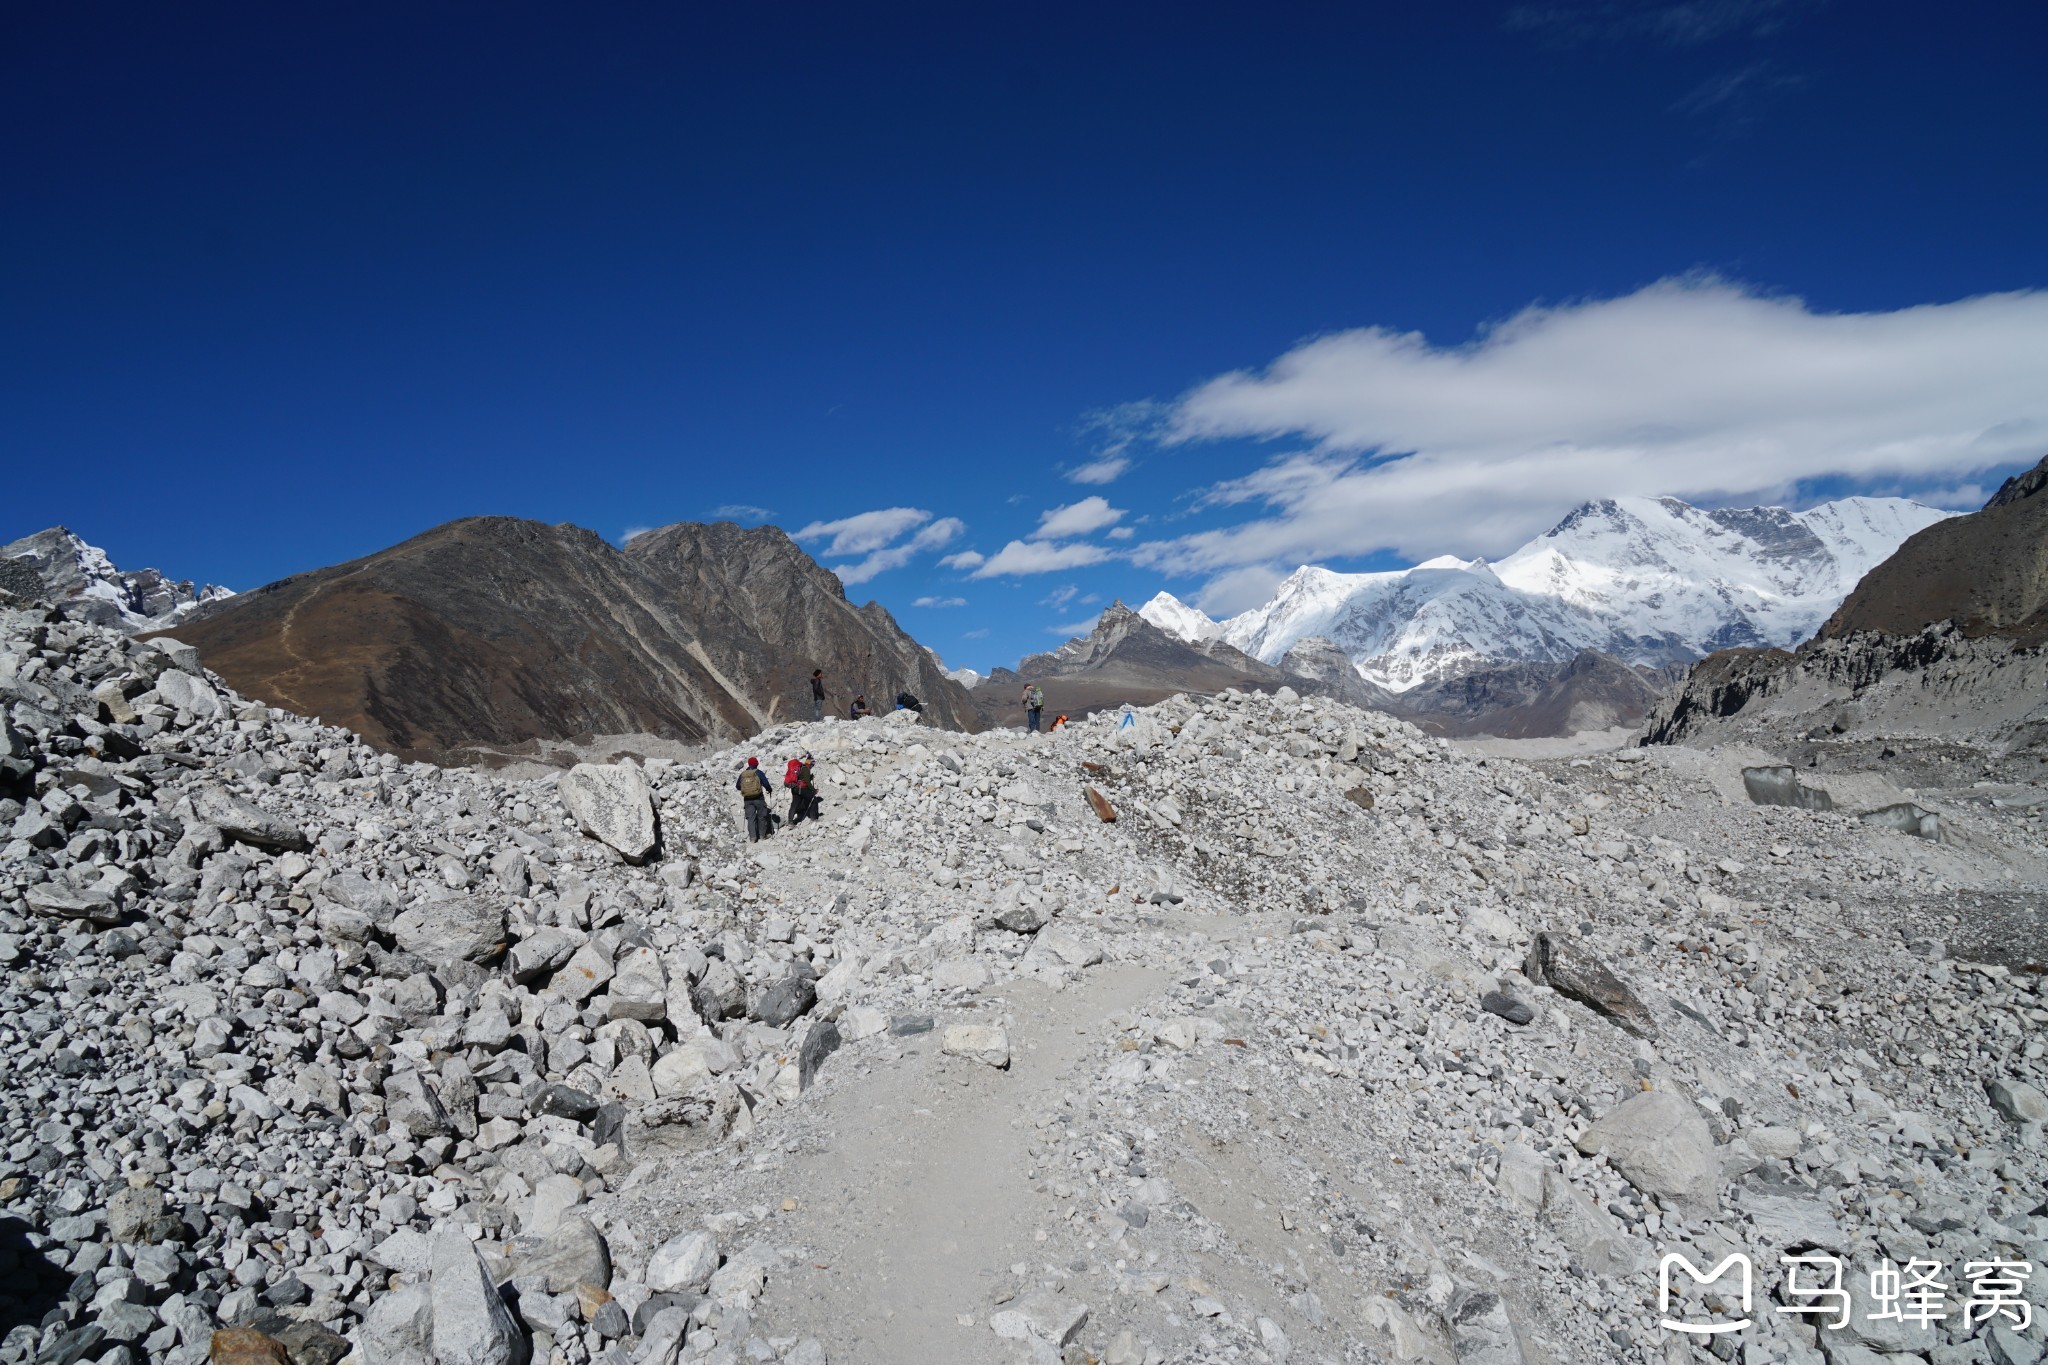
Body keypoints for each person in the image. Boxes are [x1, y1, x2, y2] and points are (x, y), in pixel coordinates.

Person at [735, 757, 775, 843]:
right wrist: (769, 790)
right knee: (761, 817)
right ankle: (762, 835)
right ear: (756, 764)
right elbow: (766, 784)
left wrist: (746, 789)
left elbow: (738, 786)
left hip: (747, 799)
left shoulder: (743, 774)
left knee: (751, 818)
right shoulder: (758, 773)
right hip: (759, 798)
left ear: (748, 764)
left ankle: (753, 838)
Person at [784, 750, 817, 825]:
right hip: (802, 788)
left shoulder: (800, 767)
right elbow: (807, 782)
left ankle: (790, 822)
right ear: (810, 763)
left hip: (794, 788)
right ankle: (813, 818)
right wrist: (814, 790)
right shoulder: (806, 769)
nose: (812, 766)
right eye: (812, 764)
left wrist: (810, 777)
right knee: (813, 800)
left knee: (794, 804)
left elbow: (801, 777)